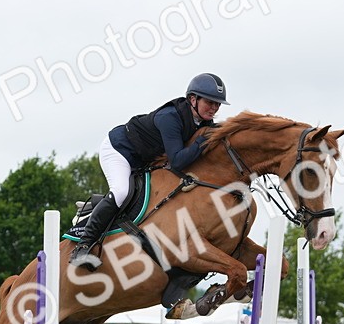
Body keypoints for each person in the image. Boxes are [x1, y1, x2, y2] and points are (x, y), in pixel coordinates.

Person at [70, 73, 230, 264]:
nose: (214, 108)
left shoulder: (202, 122)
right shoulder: (170, 117)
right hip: (119, 151)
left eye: (217, 104)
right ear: (193, 99)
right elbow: (178, 160)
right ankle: (83, 246)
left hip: (144, 159)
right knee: (121, 192)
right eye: (210, 102)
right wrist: (202, 142)